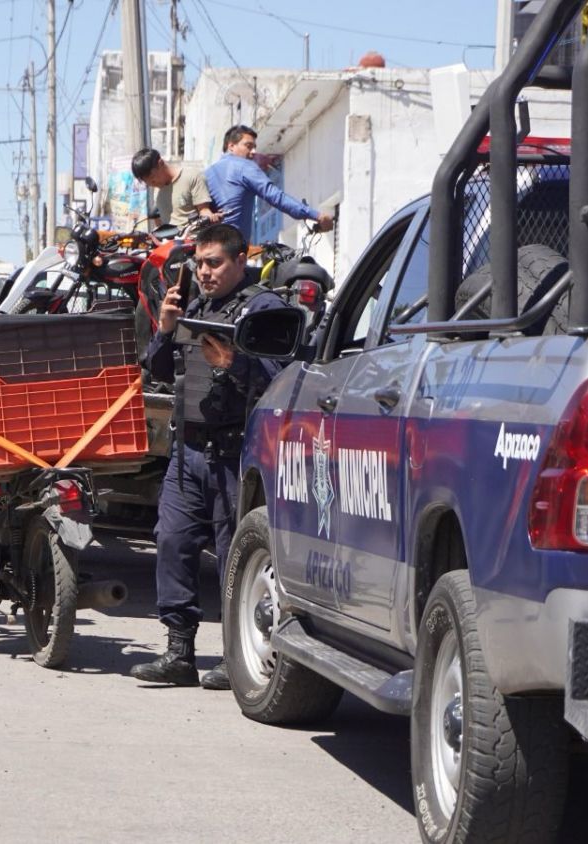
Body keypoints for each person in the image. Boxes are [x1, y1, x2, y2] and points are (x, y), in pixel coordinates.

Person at [133, 224, 288, 690]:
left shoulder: (263, 308)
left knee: (231, 557)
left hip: (235, 452)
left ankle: (233, 655)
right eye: (199, 263)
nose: (204, 272)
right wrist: (165, 328)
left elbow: (282, 375)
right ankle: (179, 652)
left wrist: (233, 364)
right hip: (189, 450)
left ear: (241, 261)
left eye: (214, 262)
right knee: (172, 542)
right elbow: (158, 371)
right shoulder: (193, 306)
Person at [203, 125, 334, 242]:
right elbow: (276, 197)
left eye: (254, 147)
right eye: (248, 146)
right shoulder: (245, 166)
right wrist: (315, 215)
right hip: (232, 247)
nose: (253, 152)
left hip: (207, 244)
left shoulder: (207, 173)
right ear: (231, 146)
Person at [130, 148, 218, 230]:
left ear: (160, 163)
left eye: (153, 180)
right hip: (167, 243)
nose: (153, 185)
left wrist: (210, 217)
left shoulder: (192, 177)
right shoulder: (158, 188)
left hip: (191, 241)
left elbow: (204, 210)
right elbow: (159, 219)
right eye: (148, 183)